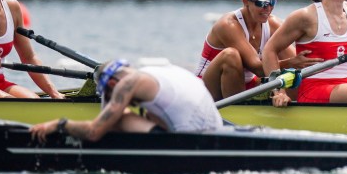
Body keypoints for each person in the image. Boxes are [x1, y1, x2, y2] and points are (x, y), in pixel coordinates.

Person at [29, 59, 224, 141]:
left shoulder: (127, 84)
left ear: (113, 84)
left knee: (120, 117)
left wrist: (60, 124)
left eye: (108, 94)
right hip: (216, 129)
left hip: (190, 138)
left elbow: (94, 132)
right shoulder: (161, 71)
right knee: (147, 113)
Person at [195, 0, 306, 101]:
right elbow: (257, 68)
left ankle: (299, 103)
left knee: (291, 64)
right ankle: (237, 112)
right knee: (231, 55)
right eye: (262, 3)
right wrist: (291, 63)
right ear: (246, 1)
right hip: (207, 89)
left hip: (246, 86)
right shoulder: (228, 25)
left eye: (272, 2)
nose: (268, 8)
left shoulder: (273, 24)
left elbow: (298, 60)